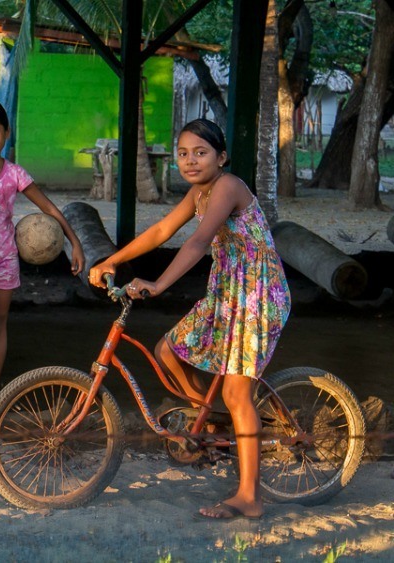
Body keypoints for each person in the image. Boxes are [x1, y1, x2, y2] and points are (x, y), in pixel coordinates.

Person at [89, 119, 291, 520]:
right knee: (167, 350)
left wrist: (159, 284)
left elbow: (198, 242)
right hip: (227, 293)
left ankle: (249, 496)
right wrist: (111, 260)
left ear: (222, 157)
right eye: (182, 153)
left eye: (200, 152)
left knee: (238, 394)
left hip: (257, 296)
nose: (190, 160)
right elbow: (163, 229)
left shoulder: (229, 186)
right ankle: (215, 419)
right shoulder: (199, 193)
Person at [0, 100, 86, 425]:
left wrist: (74, 241)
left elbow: (48, 208)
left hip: (4, 259)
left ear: (6, 133)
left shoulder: (14, 174)